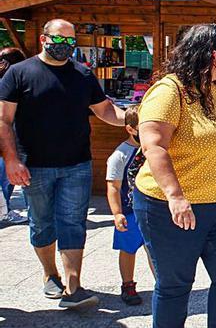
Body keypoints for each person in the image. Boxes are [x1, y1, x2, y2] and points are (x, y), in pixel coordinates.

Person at [0, 19, 126, 309]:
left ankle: (73, 286)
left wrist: (137, 119)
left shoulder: (82, 75)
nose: (65, 47)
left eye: (70, 42)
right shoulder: (19, 74)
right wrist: (11, 160)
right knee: (42, 224)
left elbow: (105, 110)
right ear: (44, 39)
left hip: (77, 164)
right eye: (59, 40)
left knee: (73, 223)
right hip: (34, 165)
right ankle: (50, 274)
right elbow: (4, 120)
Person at [134, 24, 216, 327]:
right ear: (212, 54)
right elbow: (153, 145)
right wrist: (176, 196)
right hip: (172, 209)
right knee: (175, 287)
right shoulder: (168, 91)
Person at [106, 106, 155, 305]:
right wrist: (117, 213)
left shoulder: (154, 147)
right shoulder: (121, 154)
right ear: (130, 129)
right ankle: (128, 284)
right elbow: (113, 186)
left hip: (152, 209)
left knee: (155, 249)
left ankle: (162, 284)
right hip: (129, 211)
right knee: (128, 249)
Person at [0, 47, 27, 225]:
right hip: (9, 134)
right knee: (5, 175)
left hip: (9, 133)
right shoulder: (12, 82)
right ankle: (4, 210)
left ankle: (5, 208)